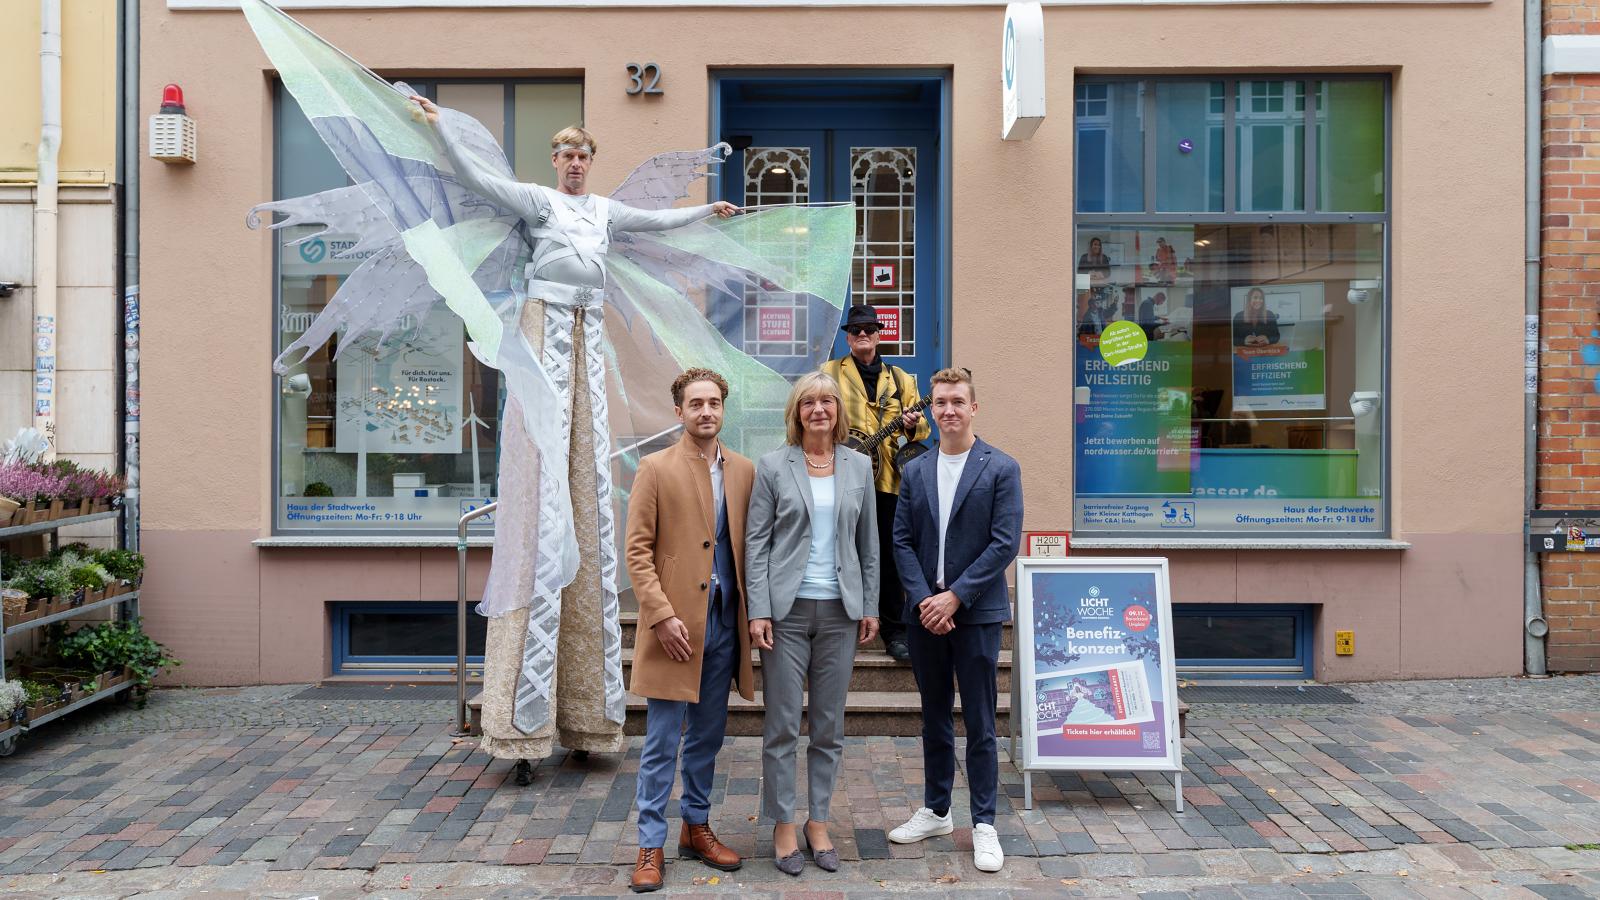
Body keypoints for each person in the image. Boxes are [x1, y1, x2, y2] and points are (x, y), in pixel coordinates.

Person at [410, 96, 740, 764]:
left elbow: (657, 223)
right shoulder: (538, 202)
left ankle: (589, 719)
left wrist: (708, 210)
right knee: (543, 472)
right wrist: (443, 129)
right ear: (554, 163)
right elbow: (477, 181)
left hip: (588, 332)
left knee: (587, 482)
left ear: (591, 164)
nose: (573, 166)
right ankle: (523, 722)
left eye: (582, 157)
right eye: (565, 156)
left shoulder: (603, 212)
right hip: (547, 330)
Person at [887, 368, 1023, 874]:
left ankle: (983, 822)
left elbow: (1003, 542)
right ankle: (938, 809)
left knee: (982, 723)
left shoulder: (1000, 467)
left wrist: (955, 598)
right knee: (935, 718)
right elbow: (900, 540)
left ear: (973, 408)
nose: (948, 410)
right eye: (940, 402)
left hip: (977, 614)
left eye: (957, 402)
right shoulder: (916, 469)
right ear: (931, 409)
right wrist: (926, 599)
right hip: (925, 616)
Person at [624, 368, 755, 893]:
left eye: (714, 403)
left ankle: (695, 827)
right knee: (660, 743)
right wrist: (660, 614)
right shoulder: (654, 468)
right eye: (696, 403)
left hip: (724, 624)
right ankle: (649, 843)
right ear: (678, 411)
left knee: (706, 738)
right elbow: (636, 551)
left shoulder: (744, 471)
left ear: (724, 410)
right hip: (672, 631)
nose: (706, 411)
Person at [745, 371, 880, 876]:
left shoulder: (859, 466)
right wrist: (758, 608)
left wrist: (870, 604)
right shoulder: (773, 466)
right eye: (809, 402)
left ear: (838, 410)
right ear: (796, 412)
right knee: (781, 725)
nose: (819, 409)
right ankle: (783, 824)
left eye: (827, 401)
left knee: (829, 726)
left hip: (841, 614)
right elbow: (756, 543)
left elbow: (869, 544)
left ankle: (817, 821)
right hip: (787, 614)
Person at [820, 305, 928, 663]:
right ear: (847, 337)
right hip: (842, 478)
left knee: (891, 557)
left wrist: (912, 424)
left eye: (868, 328)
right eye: (855, 330)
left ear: (880, 333)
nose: (862, 334)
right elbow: (816, 416)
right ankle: (844, 625)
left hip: (889, 480)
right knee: (843, 550)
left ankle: (895, 631)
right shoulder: (829, 373)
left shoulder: (902, 380)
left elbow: (922, 431)